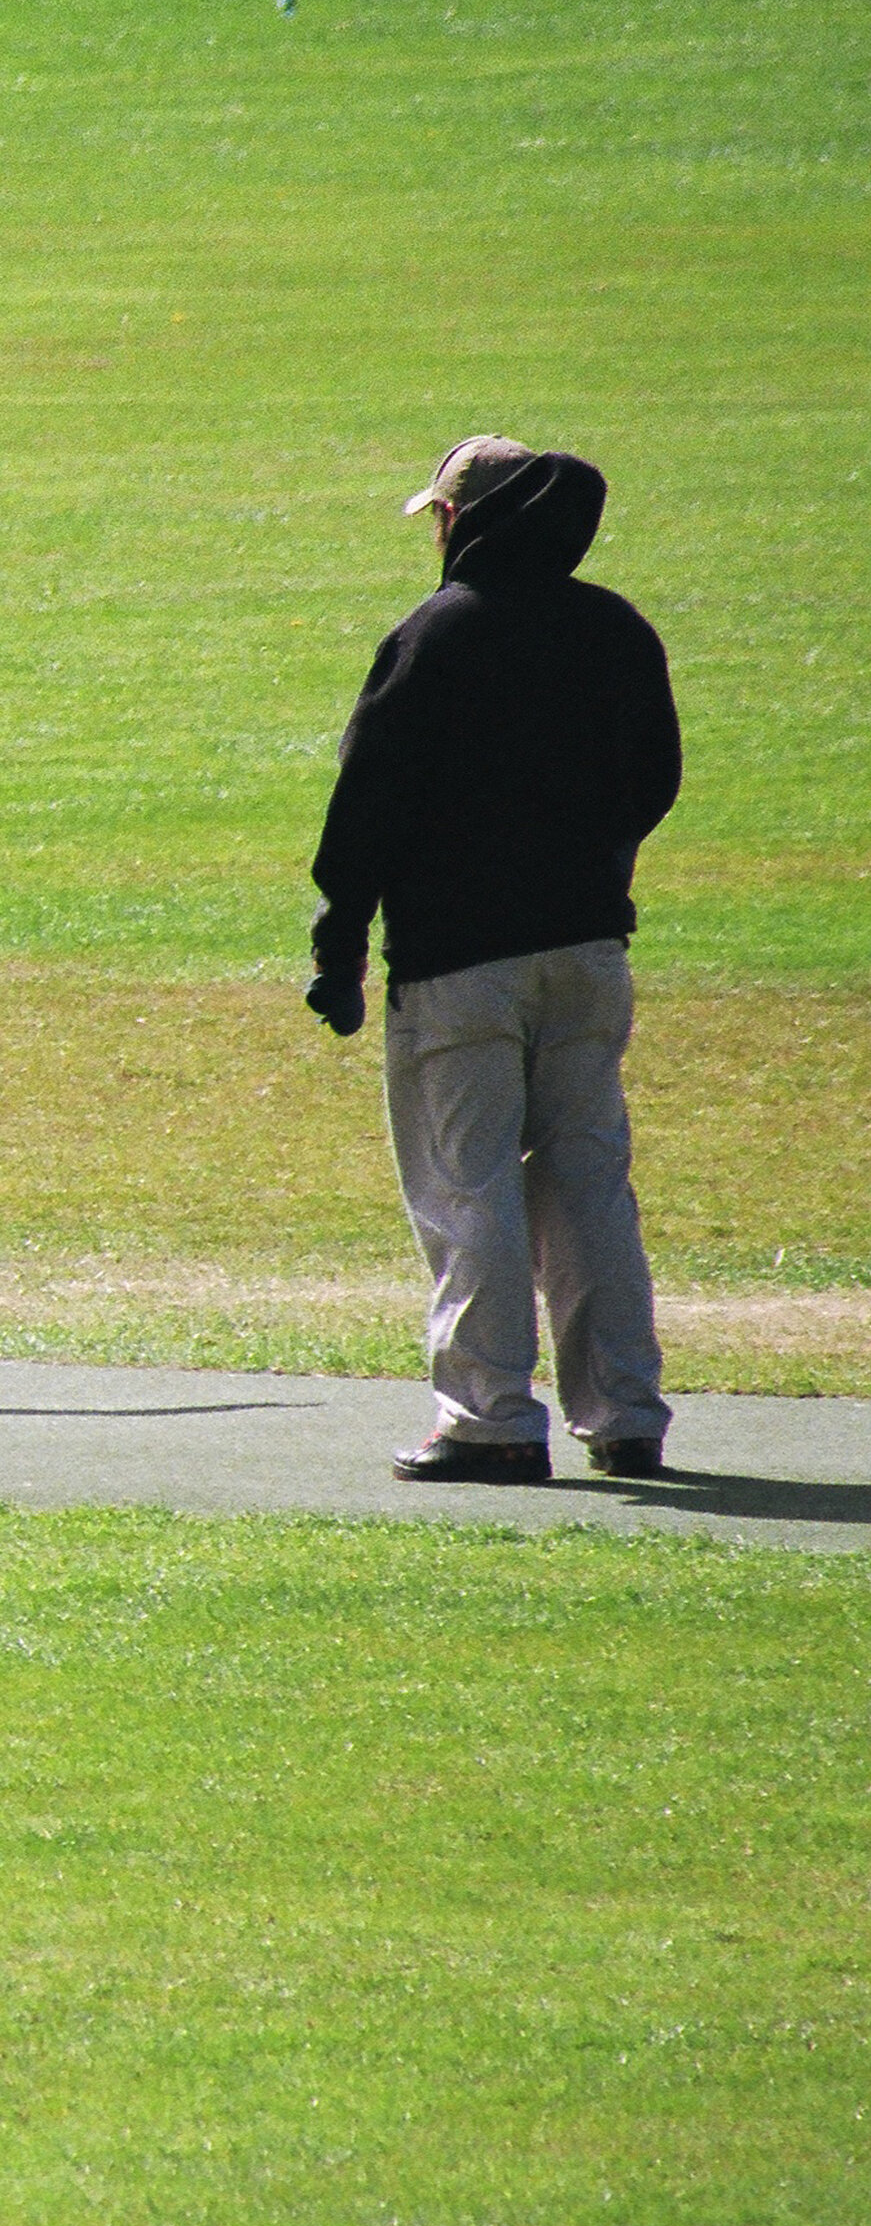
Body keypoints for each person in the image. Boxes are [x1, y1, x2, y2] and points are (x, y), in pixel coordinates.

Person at [306, 434, 680, 1485]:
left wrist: (341, 947)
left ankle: (491, 1419)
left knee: (470, 1188)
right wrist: (593, 866)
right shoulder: (615, 629)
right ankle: (626, 1411)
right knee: (589, 1181)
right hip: (590, 950)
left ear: (463, 519)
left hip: (461, 965)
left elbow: (366, 809)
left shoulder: (438, 634)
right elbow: (654, 777)